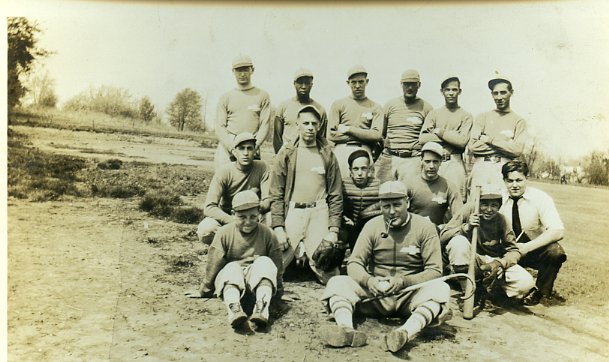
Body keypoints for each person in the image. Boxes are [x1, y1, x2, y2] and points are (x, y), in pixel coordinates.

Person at [320, 181, 451, 353]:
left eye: (397, 205)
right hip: (376, 295)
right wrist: (369, 281)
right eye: (386, 206)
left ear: (408, 203)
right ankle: (346, 330)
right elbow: (354, 262)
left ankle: (404, 333)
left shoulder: (425, 227)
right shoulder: (372, 225)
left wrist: (404, 281)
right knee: (337, 282)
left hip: (409, 295)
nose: (391, 211)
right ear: (380, 205)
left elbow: (435, 270)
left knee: (440, 288)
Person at [186, 190, 283, 330]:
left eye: (253, 216)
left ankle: (261, 309)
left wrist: (279, 291)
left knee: (265, 262)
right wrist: (205, 289)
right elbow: (214, 262)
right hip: (232, 284)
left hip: (256, 285)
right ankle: (235, 310)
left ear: (259, 215)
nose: (248, 221)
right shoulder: (224, 232)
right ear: (233, 214)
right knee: (232, 268)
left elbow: (276, 265)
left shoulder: (268, 234)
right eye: (242, 217)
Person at [270, 105, 343, 284]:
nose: (310, 127)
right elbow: (276, 193)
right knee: (273, 269)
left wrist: (333, 230)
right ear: (297, 125)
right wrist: (278, 227)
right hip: (293, 212)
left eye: (314, 123)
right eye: (306, 123)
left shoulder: (327, 154)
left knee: (329, 274)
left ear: (319, 127)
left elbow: (335, 194)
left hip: (319, 213)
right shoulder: (286, 153)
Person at [440, 184, 534, 302]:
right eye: (484, 204)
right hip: (469, 260)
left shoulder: (501, 220)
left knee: (525, 283)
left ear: (499, 206)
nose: (489, 210)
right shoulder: (468, 210)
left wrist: (500, 263)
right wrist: (466, 228)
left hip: (490, 264)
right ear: (478, 203)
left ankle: (488, 289)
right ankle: (468, 293)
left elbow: (514, 250)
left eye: (494, 205)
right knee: (458, 242)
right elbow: (443, 237)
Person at [500, 160, 567, 306]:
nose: (515, 185)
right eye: (510, 181)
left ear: (527, 178)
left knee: (555, 251)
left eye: (519, 180)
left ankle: (541, 293)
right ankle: (494, 290)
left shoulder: (540, 198)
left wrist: (527, 247)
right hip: (505, 249)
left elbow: (557, 230)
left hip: (531, 249)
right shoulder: (498, 198)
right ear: (504, 180)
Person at [196, 132, 270, 245]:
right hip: (229, 217)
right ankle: (227, 247)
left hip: (253, 217)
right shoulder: (224, 172)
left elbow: (267, 200)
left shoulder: (262, 168)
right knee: (206, 229)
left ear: (255, 151)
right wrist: (233, 220)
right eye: (241, 149)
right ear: (234, 152)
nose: (246, 153)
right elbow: (209, 207)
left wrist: (253, 208)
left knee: (271, 219)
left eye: (249, 148)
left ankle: (257, 250)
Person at [419, 76, 473, 200]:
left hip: (454, 162)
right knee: (432, 199)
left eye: (454, 90)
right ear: (442, 91)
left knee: (457, 199)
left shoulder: (466, 116)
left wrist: (439, 131)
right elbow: (422, 138)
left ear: (459, 91)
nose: (451, 93)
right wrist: (452, 136)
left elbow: (461, 142)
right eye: (447, 90)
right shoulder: (434, 113)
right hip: (435, 161)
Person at [467, 76, 527, 187]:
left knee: (503, 203)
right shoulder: (482, 117)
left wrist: (489, 140)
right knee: (475, 202)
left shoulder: (519, 121)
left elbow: (517, 150)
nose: (499, 97)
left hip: (504, 170)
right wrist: (506, 146)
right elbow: (473, 146)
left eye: (503, 92)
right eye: (495, 93)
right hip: (481, 167)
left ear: (511, 93)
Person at [214, 54, 271, 170]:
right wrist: (231, 148)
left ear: (252, 70)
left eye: (246, 70)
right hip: (229, 145)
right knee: (224, 181)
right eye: (238, 70)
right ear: (233, 71)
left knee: (251, 185)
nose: (242, 74)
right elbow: (219, 126)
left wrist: (256, 146)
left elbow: (265, 125)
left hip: (250, 146)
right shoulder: (226, 97)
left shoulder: (262, 95)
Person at [376, 69, 433, 183]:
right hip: (389, 158)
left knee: (410, 194)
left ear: (419, 85)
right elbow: (380, 133)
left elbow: (428, 137)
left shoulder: (427, 108)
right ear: (401, 84)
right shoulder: (390, 105)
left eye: (413, 84)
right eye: (407, 84)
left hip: (412, 160)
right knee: (382, 193)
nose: (410, 88)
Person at [327, 65, 384, 177]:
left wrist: (348, 129)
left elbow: (376, 135)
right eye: (353, 82)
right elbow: (331, 135)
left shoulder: (375, 107)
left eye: (361, 82)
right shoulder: (338, 104)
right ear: (348, 83)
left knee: (365, 188)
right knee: (341, 186)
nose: (357, 86)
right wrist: (365, 135)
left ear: (366, 82)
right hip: (342, 151)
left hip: (364, 151)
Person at [398, 142, 463, 230]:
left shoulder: (449, 186)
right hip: (412, 231)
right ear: (421, 161)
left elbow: (459, 216)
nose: (431, 166)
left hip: (436, 233)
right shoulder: (408, 184)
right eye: (427, 162)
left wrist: (444, 227)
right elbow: (398, 214)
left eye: (435, 162)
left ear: (441, 162)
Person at [273, 68, 328, 153]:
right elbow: (277, 137)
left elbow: (322, 139)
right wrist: (280, 156)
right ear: (294, 84)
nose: (303, 86)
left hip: (310, 154)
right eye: (300, 82)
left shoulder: (320, 109)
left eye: (307, 83)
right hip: (288, 153)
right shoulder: (284, 106)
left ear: (311, 85)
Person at [341, 149, 381, 250]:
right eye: (356, 169)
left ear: (370, 170)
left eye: (363, 169)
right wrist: (343, 218)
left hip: (370, 227)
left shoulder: (378, 185)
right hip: (347, 227)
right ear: (350, 170)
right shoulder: (342, 185)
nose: (359, 173)